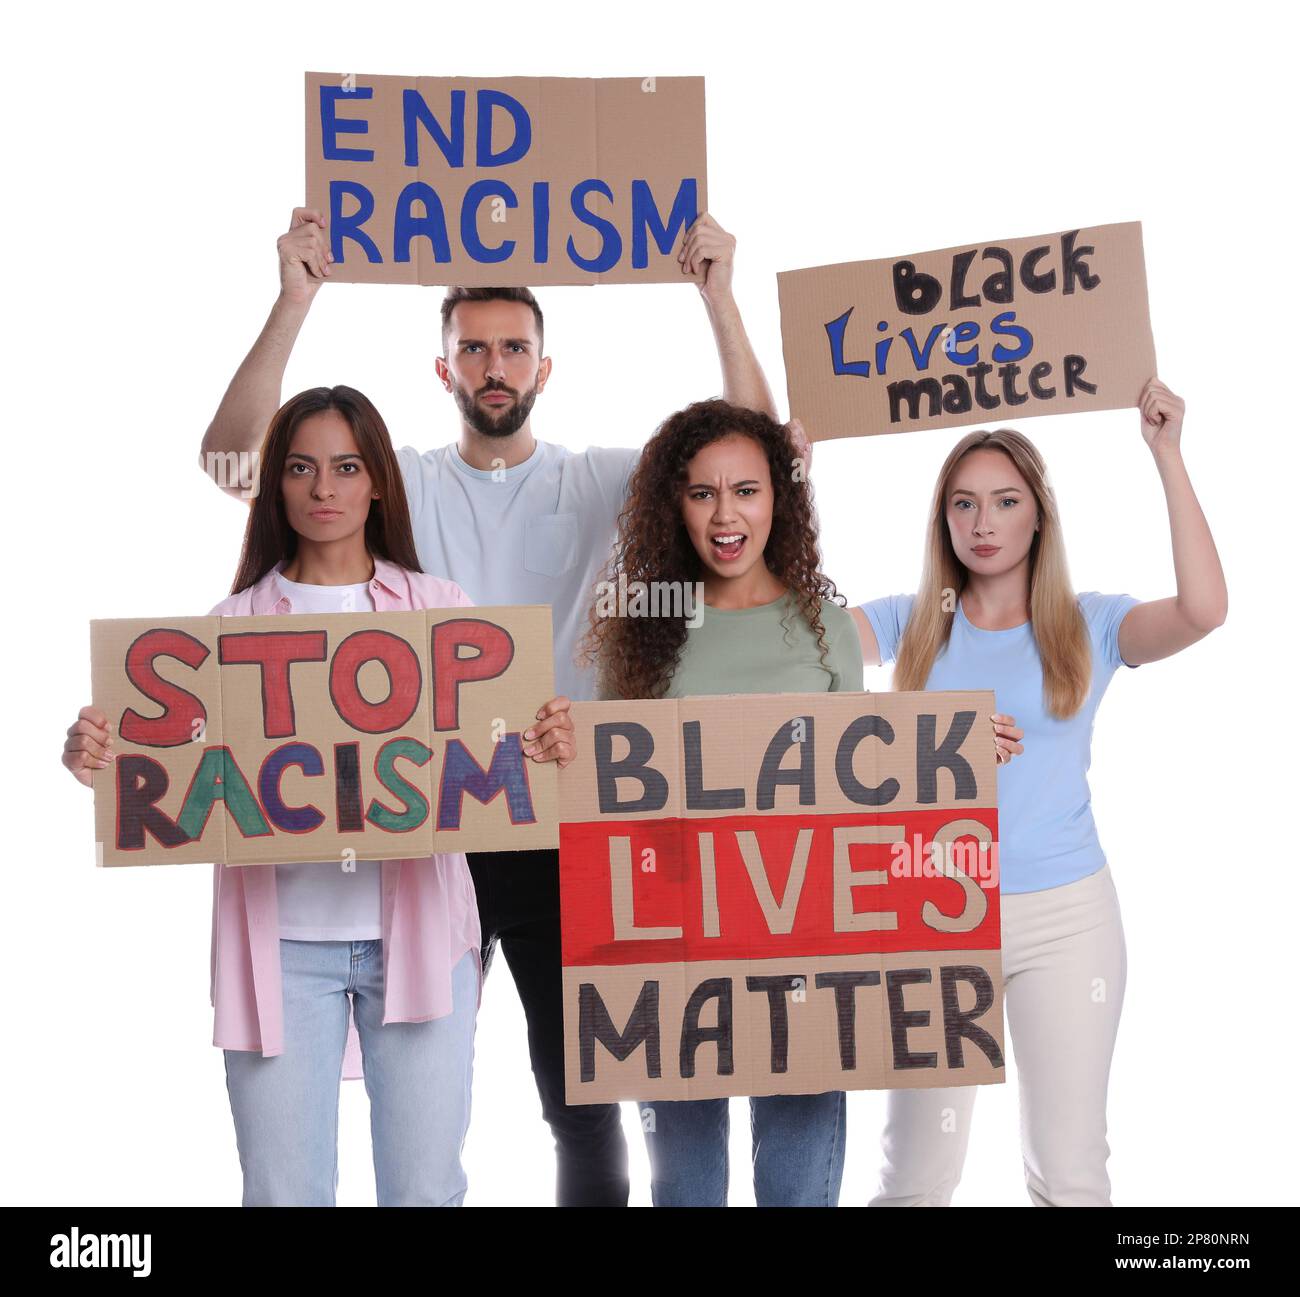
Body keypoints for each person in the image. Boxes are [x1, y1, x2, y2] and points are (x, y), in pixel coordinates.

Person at [196, 207, 775, 1206]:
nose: (494, 364)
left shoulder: (600, 481)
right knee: (420, 1105)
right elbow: (232, 465)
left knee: (581, 1099)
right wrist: (296, 299)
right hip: (421, 834)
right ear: (444, 369)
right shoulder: (399, 484)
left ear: (544, 367)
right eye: (473, 349)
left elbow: (758, 455)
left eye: (514, 347)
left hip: (556, 825)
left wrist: (719, 299)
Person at [63, 385, 575, 1206]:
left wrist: (545, 743)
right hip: (279, 949)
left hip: (419, 942)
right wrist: (104, 752)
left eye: (345, 466)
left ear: (377, 481)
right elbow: (178, 770)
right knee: (282, 1193)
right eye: (300, 468)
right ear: (276, 484)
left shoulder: (441, 611)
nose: (324, 488)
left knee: (424, 1190)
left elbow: (494, 758)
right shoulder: (227, 627)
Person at [851, 379, 1227, 1207]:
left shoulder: (1088, 624)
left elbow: (1204, 610)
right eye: (963, 504)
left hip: (1067, 917)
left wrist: (1167, 455)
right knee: (914, 1179)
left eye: (1005, 501)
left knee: (1069, 1173)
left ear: (1037, 515)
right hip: (934, 911)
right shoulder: (913, 619)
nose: (983, 523)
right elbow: (792, 669)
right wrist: (934, 737)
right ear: (942, 519)